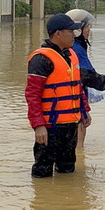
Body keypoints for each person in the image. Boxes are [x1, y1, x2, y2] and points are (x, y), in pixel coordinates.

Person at [26, 13, 91, 177]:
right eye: (70, 31)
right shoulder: (41, 59)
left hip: (70, 125)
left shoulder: (70, 55)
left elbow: (77, 87)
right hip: (50, 126)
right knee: (42, 173)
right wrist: (38, 125)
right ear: (58, 34)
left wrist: (84, 111)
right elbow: (32, 95)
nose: (74, 35)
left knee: (67, 170)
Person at [66, 8, 105, 148]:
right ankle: (80, 154)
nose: (89, 30)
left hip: (71, 96)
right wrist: (103, 81)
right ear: (77, 30)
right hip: (75, 96)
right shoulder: (76, 48)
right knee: (80, 126)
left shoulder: (73, 46)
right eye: (87, 27)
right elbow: (85, 75)